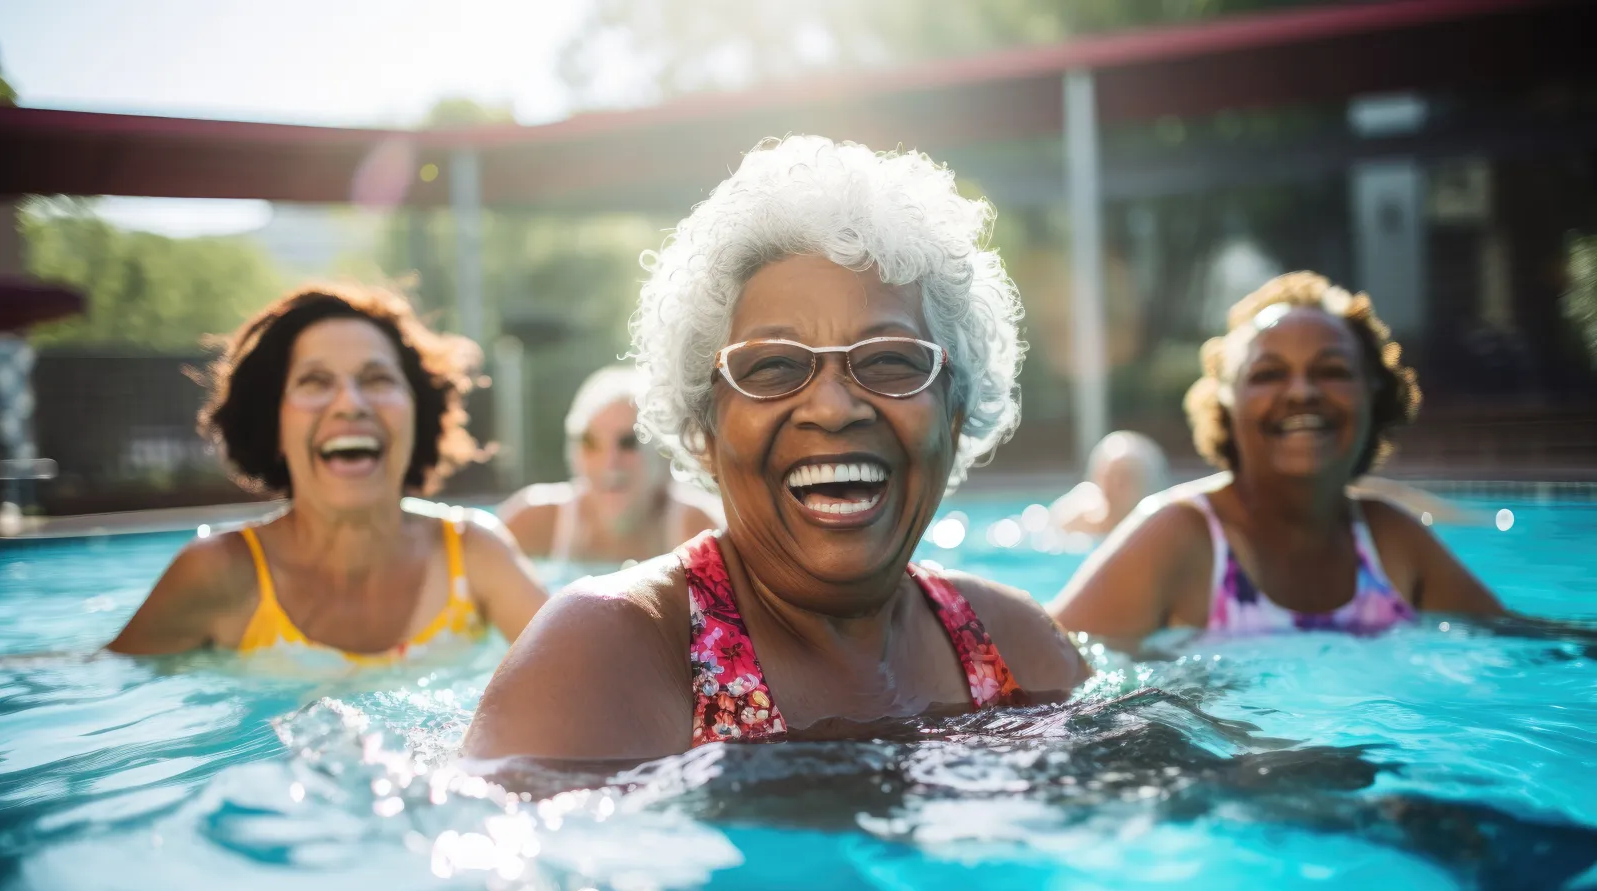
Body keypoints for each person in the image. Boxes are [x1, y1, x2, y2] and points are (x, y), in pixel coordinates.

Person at [465, 136, 1088, 762]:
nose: (833, 407)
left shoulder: (1020, 649)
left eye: (892, 361)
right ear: (704, 431)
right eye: (772, 368)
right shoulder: (606, 656)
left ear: (953, 418)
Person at [1048, 271, 1502, 647]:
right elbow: (1033, 674)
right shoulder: (1178, 538)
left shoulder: (1389, 542)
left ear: (1373, 394)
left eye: (1332, 371)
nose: (1303, 392)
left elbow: (1534, 648)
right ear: (1226, 404)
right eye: (1269, 374)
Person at [108, 284, 547, 660]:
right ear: (273, 424)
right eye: (314, 382)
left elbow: (588, 672)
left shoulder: (476, 554)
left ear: (418, 414)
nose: (350, 404)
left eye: (377, 379)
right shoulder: (216, 572)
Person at [496, 365, 721, 566]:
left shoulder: (700, 532)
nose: (609, 462)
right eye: (590, 443)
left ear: (662, 453)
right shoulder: (533, 524)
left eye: (628, 443)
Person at [1051, 431, 1169, 536]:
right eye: (1108, 477)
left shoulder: (1157, 527)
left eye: (1124, 479)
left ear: (1144, 485)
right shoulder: (1074, 520)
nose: (1113, 487)